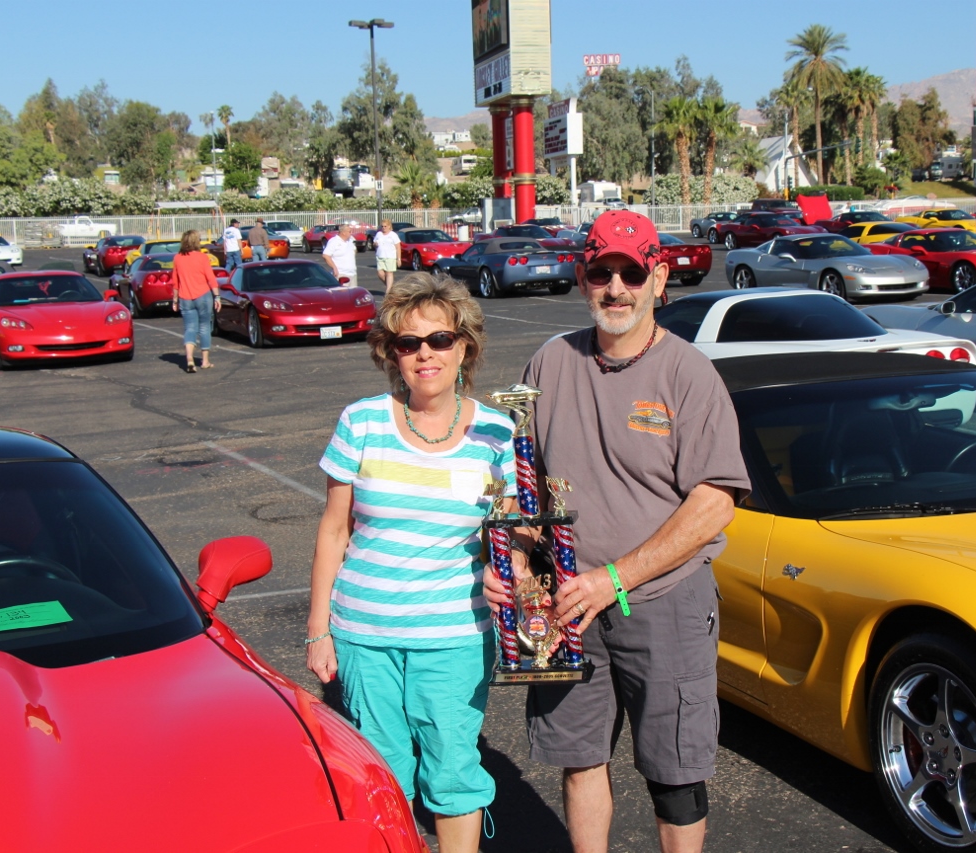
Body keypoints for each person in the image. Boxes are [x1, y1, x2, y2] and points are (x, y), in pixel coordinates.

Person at [484, 210, 749, 853]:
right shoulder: (550, 362)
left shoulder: (688, 374)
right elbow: (529, 483)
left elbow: (715, 502)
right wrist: (514, 564)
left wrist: (615, 578)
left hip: (662, 601)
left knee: (675, 774)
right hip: (566, 603)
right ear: (582, 278)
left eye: (631, 273)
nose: (616, 288)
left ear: (657, 277)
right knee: (580, 759)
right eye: (602, 271)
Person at [307, 274, 515, 853]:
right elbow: (332, 530)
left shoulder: (500, 433)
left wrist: (515, 564)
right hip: (364, 634)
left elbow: (513, 533)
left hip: (455, 634)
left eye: (440, 339)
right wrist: (318, 628)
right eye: (407, 342)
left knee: (452, 770)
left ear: (465, 347)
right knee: (382, 767)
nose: (425, 353)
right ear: (390, 353)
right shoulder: (361, 421)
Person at [170, 229, 221, 373]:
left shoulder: (178, 258)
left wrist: (175, 300)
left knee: (190, 328)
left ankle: (190, 359)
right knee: (204, 327)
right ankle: (205, 361)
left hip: (185, 297)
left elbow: (175, 282)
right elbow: (211, 278)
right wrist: (217, 296)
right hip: (203, 296)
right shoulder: (202, 257)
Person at [373, 219, 402, 294]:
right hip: (380, 256)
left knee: (389, 273)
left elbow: (398, 247)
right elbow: (374, 243)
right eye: (382, 226)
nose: (384, 228)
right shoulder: (379, 234)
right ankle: (391, 286)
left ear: (389, 226)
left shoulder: (393, 235)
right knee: (380, 273)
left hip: (390, 257)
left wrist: (398, 259)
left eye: (385, 226)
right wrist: (375, 244)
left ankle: (388, 290)